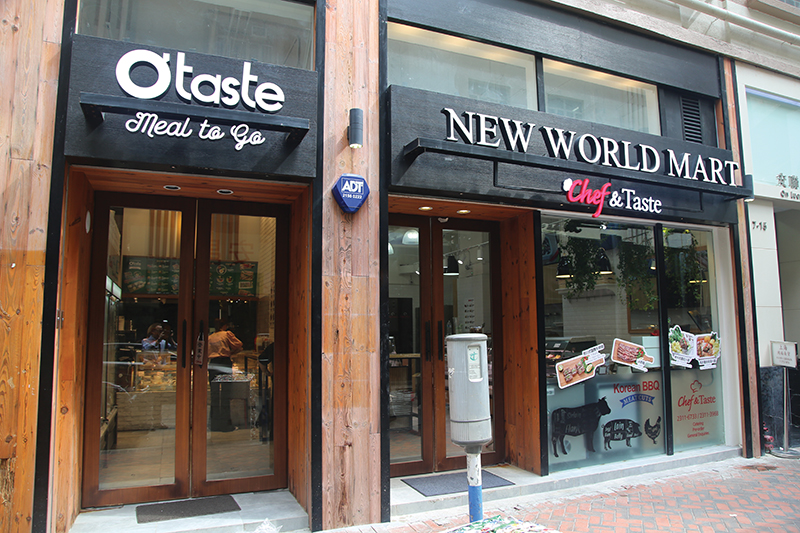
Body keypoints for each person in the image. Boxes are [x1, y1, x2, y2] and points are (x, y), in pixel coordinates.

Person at [207, 320, 243, 432]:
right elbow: (238, 344)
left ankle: (214, 424)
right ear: (225, 326)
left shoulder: (210, 337)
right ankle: (226, 425)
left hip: (212, 364)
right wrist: (231, 352)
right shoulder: (226, 334)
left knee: (214, 394)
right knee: (226, 393)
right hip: (224, 363)